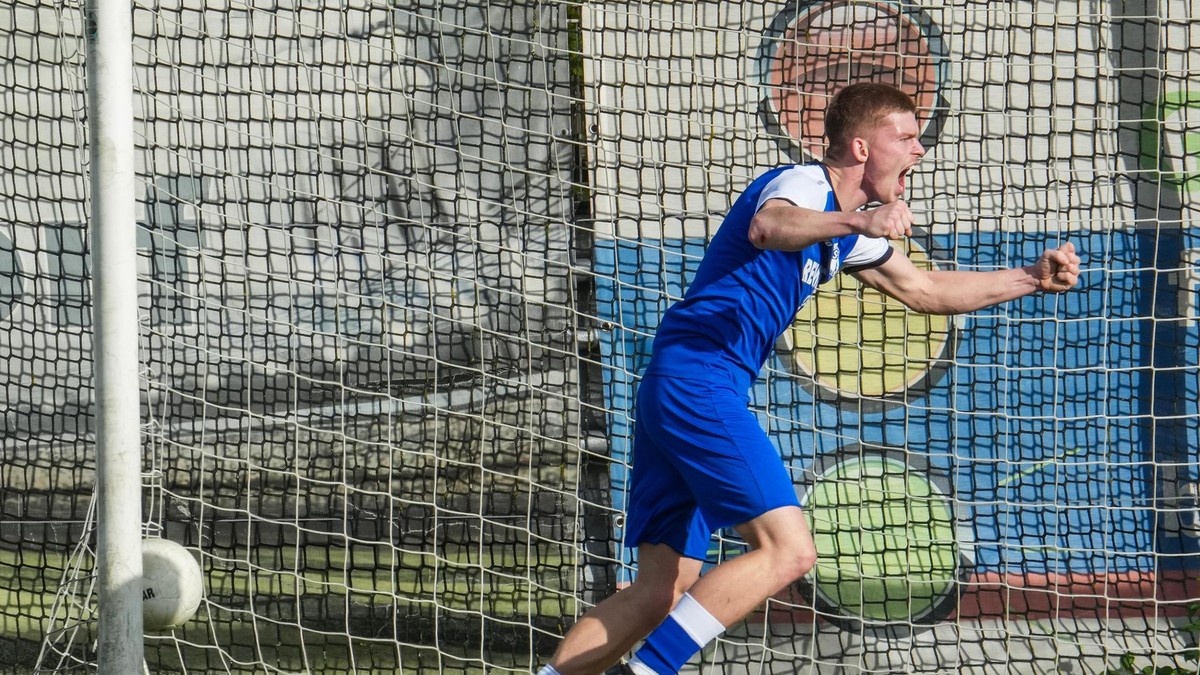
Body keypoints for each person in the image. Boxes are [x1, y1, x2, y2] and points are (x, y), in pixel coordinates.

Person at [537, 82, 1082, 675]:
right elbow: (769, 228)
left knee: (661, 591)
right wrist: (858, 219)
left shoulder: (843, 231)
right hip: (699, 379)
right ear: (860, 148)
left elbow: (926, 291)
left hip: (679, 384)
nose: (919, 150)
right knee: (789, 550)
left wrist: (1030, 277)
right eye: (904, 137)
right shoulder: (803, 185)